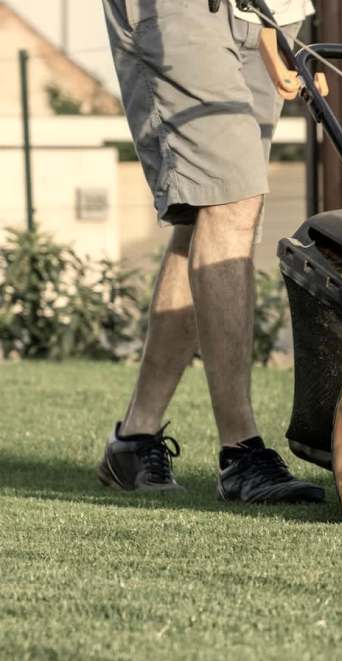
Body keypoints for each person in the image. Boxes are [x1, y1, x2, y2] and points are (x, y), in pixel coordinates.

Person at [97, 0, 323, 503]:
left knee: (209, 209)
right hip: (180, 10)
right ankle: (240, 452)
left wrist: (282, 28)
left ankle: (135, 439)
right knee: (230, 199)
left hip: (271, 13)